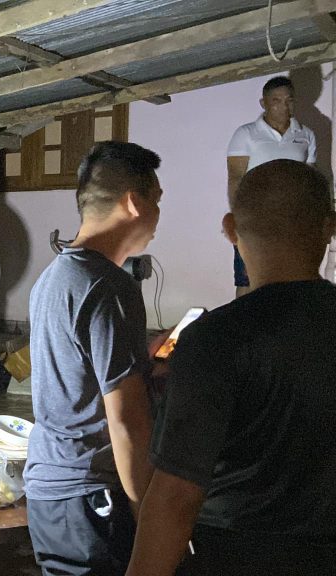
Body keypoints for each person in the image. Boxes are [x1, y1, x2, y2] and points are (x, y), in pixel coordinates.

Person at [126, 160, 336, 576]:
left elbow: (175, 496)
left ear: (230, 228)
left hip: (231, 555)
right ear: (330, 227)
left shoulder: (214, 338)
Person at [24, 141, 163, 575]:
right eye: (157, 200)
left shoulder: (54, 277)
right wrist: (149, 519)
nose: (159, 215)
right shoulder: (109, 287)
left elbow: (80, 378)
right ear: (134, 203)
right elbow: (127, 421)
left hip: (51, 490)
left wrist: (145, 362)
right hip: (91, 495)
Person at [227, 75, 317, 297]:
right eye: (276, 100)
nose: (284, 106)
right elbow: (236, 177)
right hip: (254, 219)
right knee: (248, 279)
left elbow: (310, 179)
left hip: (293, 221)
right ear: (264, 103)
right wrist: (237, 217)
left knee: (291, 279)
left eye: (289, 100)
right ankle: (245, 320)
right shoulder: (246, 134)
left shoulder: (306, 135)